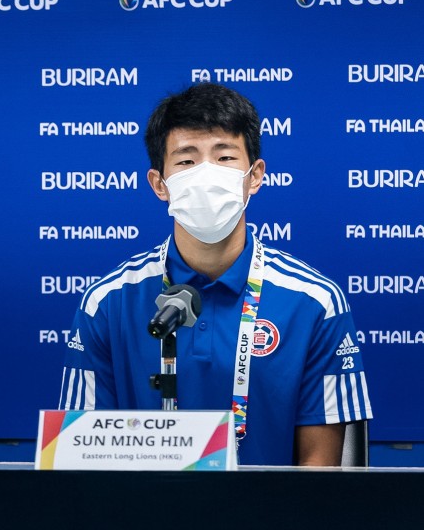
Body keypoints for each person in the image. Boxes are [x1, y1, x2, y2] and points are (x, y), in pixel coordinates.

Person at [57, 83, 371, 466]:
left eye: (224, 158)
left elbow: (320, 479)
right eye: (187, 161)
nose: (206, 175)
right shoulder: (107, 303)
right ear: (160, 184)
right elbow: (81, 464)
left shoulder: (314, 302)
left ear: (254, 177)